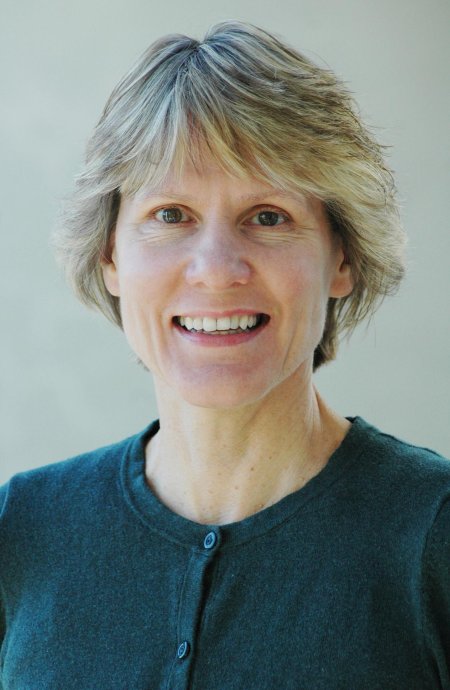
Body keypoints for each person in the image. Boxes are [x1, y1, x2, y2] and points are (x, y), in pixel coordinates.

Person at [0, 20, 449, 690]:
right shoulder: (22, 530)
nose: (215, 269)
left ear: (343, 258)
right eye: (170, 215)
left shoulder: (433, 534)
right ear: (110, 256)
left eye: (268, 216)